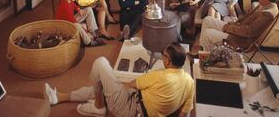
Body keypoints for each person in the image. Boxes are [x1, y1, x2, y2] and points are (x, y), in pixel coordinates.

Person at [44, 42, 195, 117]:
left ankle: (99, 107)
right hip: (139, 103)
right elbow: (184, 112)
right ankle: (58, 97)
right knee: (103, 86)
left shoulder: (160, 75)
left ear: (168, 61)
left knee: (100, 63)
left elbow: (132, 84)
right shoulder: (189, 82)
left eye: (164, 55)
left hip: (131, 110)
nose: (162, 57)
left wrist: (113, 83)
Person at [198, 0, 279, 51]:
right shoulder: (265, 6)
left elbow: (249, 32)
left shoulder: (267, 14)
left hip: (240, 40)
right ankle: (203, 51)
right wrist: (234, 23)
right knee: (207, 20)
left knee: (207, 33)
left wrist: (230, 28)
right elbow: (245, 19)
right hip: (237, 30)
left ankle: (207, 58)